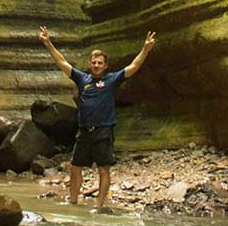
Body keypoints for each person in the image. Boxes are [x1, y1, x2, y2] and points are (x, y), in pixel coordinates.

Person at [38, 25, 156, 212]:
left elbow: (133, 67)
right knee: (75, 167)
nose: (96, 65)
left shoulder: (112, 79)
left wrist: (145, 49)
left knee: (103, 169)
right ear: (90, 63)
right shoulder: (82, 79)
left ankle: (99, 205)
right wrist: (48, 43)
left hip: (103, 131)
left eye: (100, 63)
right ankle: (73, 200)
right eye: (94, 62)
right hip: (84, 131)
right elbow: (62, 63)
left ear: (105, 66)